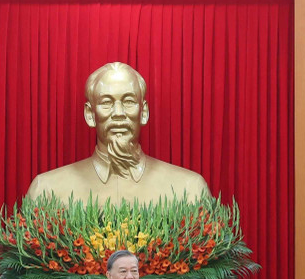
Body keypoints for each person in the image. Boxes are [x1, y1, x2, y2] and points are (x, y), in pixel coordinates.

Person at [26, 62, 211, 205]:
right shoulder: (47, 191)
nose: (119, 113)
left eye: (129, 101)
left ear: (143, 112)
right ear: (90, 114)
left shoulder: (190, 190)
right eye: (106, 102)